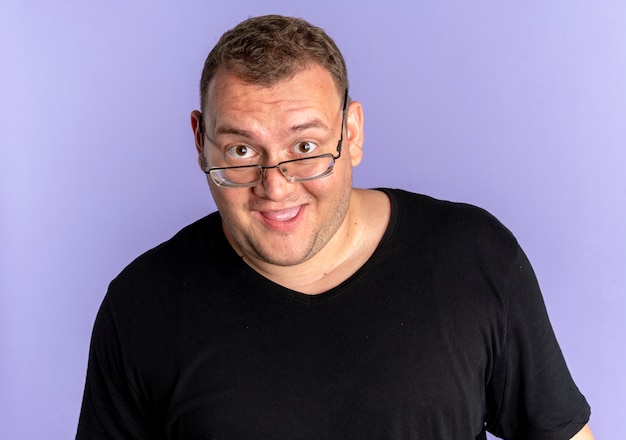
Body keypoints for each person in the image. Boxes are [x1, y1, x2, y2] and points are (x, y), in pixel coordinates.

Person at [77, 14, 593, 440]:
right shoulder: (141, 306)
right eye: (241, 150)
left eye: (304, 148)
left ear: (352, 133)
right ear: (199, 141)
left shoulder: (473, 257)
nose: (274, 187)